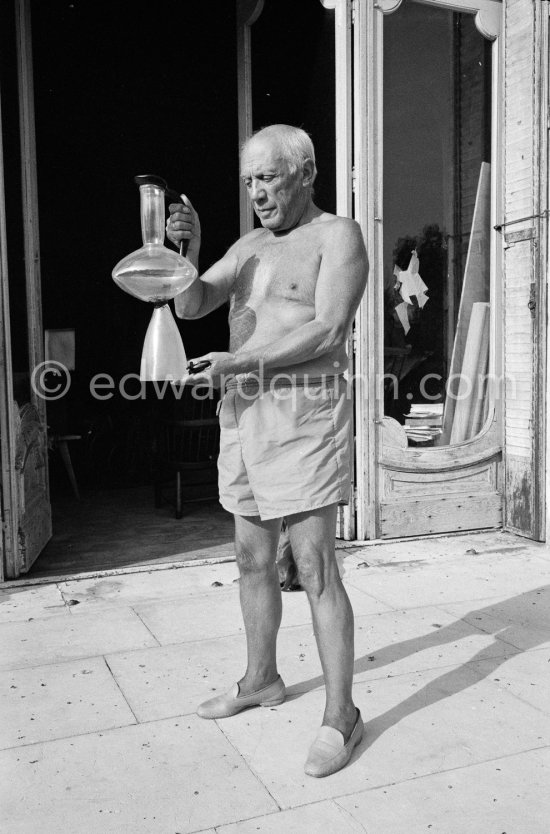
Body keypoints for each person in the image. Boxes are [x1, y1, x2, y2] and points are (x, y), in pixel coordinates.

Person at [167, 124, 368, 778]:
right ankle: (261, 678)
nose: (256, 191)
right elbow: (195, 301)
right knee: (252, 558)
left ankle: (342, 715)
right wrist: (188, 253)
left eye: (269, 177)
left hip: (305, 413)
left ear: (305, 173)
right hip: (243, 411)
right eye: (250, 179)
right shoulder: (250, 244)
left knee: (314, 568)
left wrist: (243, 359)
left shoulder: (338, 235)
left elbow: (329, 325)